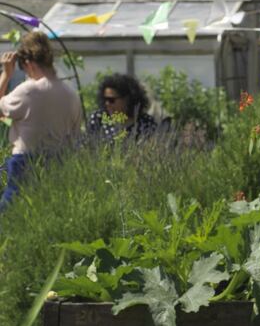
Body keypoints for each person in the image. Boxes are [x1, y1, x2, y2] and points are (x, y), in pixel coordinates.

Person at [0, 31, 82, 211]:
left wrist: (6, 74)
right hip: (60, 162)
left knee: (9, 213)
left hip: (26, 162)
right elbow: (75, 136)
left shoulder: (29, 90)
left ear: (28, 64)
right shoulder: (71, 95)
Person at [87, 73, 157, 143]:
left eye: (111, 100)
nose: (107, 103)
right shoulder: (98, 119)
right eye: (105, 99)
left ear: (127, 99)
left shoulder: (146, 123)